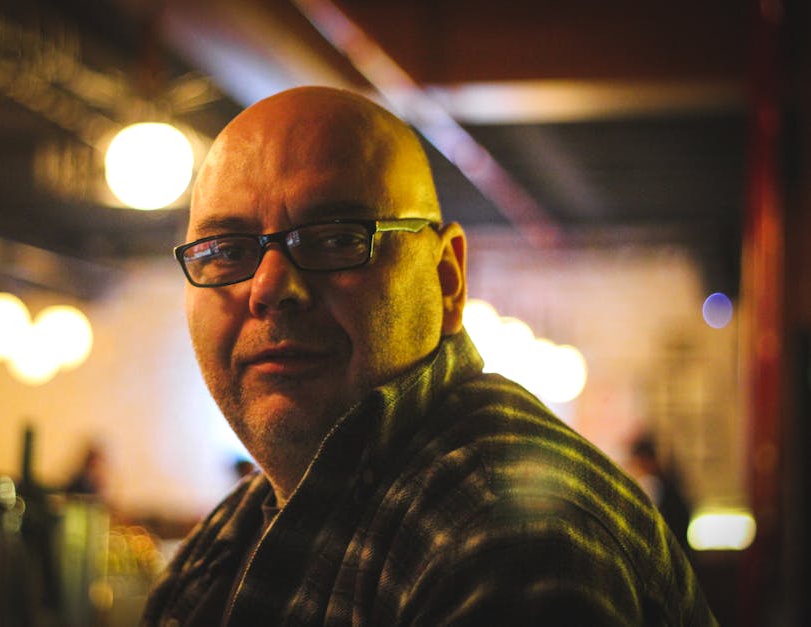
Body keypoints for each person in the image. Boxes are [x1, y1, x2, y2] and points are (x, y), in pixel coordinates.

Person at [141, 86, 717, 626]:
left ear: (447, 280)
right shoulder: (246, 521)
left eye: (338, 238)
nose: (268, 288)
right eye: (225, 251)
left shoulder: (504, 541)